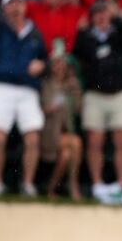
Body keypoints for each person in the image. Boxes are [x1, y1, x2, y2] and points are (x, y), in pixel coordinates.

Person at [0, 0, 47, 196]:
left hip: (28, 90)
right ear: (5, 7)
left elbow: (44, 58)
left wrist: (41, 65)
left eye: (19, 2)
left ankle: (28, 184)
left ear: (25, 6)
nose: (16, 7)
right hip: (2, 87)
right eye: (11, 3)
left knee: (33, 139)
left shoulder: (35, 33)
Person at [72, 1, 122, 206]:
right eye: (97, 14)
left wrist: (116, 16)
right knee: (95, 140)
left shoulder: (119, 33)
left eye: (104, 13)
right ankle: (98, 184)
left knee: (121, 139)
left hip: (119, 94)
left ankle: (121, 183)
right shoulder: (86, 37)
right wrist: (81, 31)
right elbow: (78, 53)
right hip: (95, 95)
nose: (101, 17)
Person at [39, 48, 83, 200]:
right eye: (56, 63)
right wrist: (50, 108)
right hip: (49, 132)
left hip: (64, 133)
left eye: (62, 63)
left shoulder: (71, 85)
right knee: (75, 142)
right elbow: (41, 108)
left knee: (66, 155)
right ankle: (73, 185)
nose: (59, 66)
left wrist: (74, 89)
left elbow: (78, 109)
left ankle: (51, 189)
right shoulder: (46, 84)